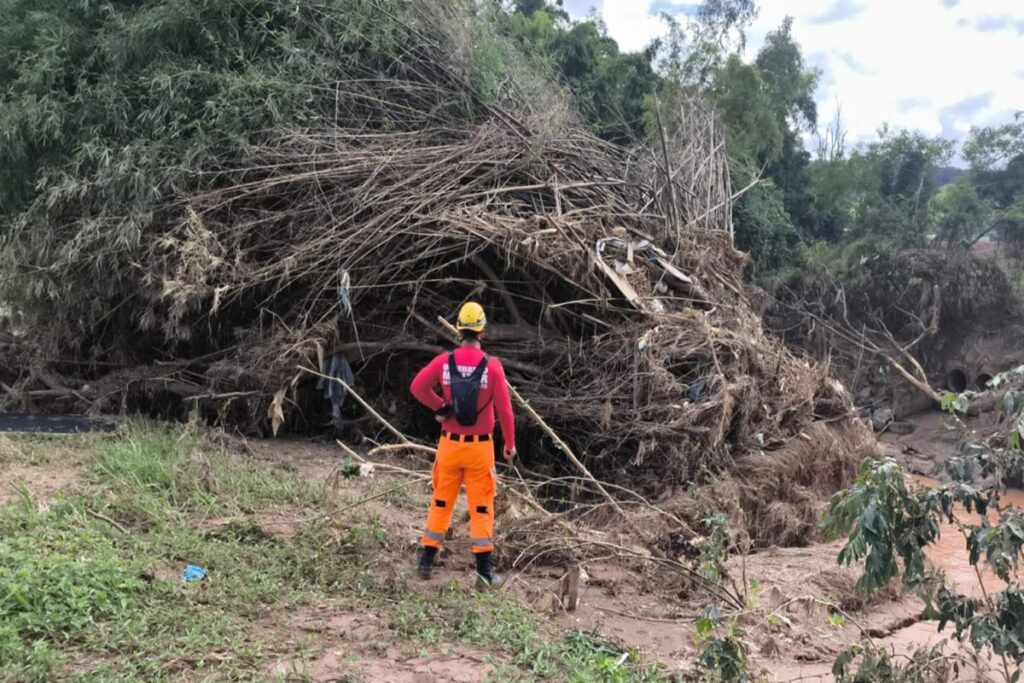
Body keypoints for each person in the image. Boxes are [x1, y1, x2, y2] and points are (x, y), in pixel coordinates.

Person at [409, 301, 516, 588]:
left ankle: (426, 563)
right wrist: (509, 444)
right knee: (482, 507)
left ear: (459, 330)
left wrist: (441, 404)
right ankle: (483, 573)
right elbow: (505, 411)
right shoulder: (492, 367)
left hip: (449, 446)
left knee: (441, 501)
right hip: (480, 448)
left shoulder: (444, 362)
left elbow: (417, 386)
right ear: (482, 331)